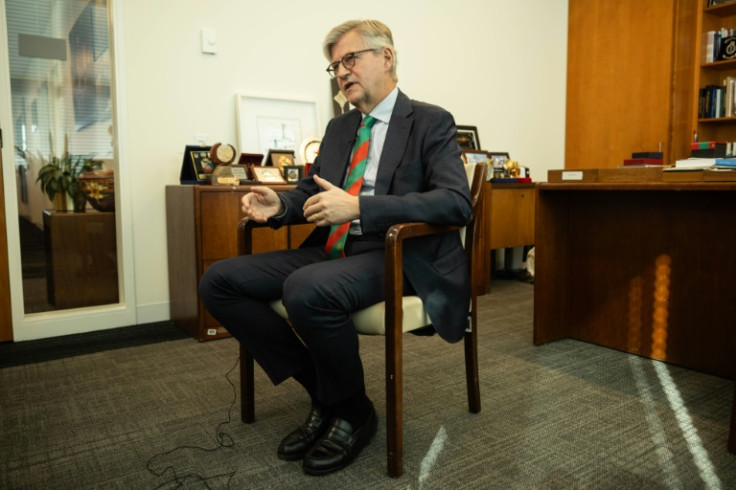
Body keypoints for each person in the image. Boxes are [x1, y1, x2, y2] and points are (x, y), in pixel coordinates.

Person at [199, 19, 472, 476]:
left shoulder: (430, 120)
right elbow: (313, 190)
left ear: (386, 57)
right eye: (334, 67)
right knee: (219, 281)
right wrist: (280, 205)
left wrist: (361, 208)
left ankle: (352, 415)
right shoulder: (340, 127)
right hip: (334, 247)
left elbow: (455, 202)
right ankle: (333, 396)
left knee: (307, 288)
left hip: (396, 252)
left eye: (350, 59)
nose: (341, 72)